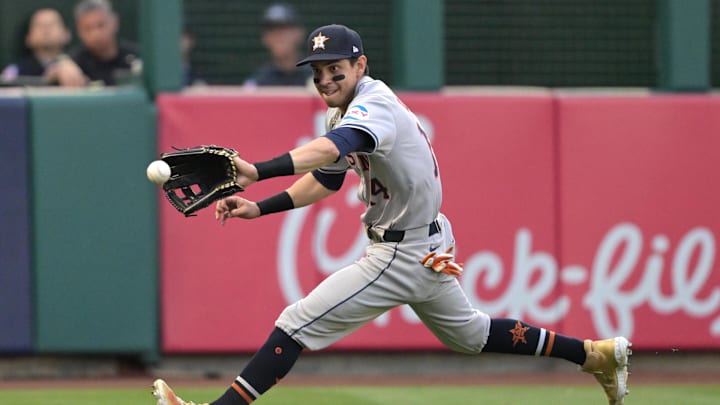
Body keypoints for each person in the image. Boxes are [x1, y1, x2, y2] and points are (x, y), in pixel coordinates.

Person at [152, 24, 632, 405]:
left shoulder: (373, 104)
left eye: (335, 67)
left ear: (361, 64)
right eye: (317, 70)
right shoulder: (343, 110)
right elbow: (328, 177)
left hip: (402, 252)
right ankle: (594, 355)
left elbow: (331, 150)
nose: (325, 80)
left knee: (296, 323)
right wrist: (260, 206)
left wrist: (259, 170)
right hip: (426, 244)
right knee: (472, 335)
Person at [1, 8, 85, 86]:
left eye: (52, 24)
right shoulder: (15, 71)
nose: (46, 29)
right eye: (39, 25)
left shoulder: (82, 66)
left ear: (67, 34)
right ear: (28, 38)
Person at [69, 0, 140, 85]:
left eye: (101, 25)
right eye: (88, 28)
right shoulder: (74, 63)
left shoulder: (137, 56)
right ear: (79, 31)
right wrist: (61, 68)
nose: (96, 34)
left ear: (115, 22)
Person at [243, 3, 311, 87]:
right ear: (265, 38)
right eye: (272, 30)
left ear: (299, 33)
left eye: (284, 29)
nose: (278, 36)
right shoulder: (257, 84)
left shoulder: (319, 77)